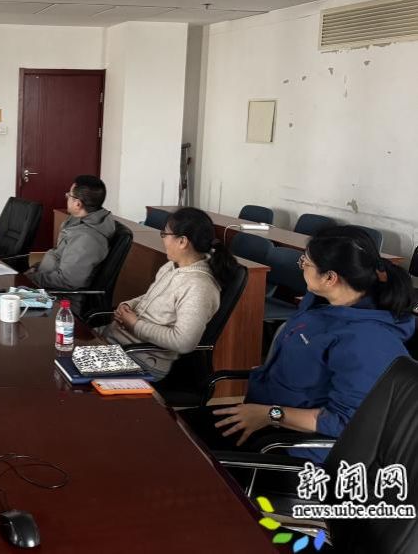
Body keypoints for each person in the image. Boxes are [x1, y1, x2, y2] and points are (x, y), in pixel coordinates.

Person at [180, 226, 414, 463]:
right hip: (266, 414)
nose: (301, 266)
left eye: (306, 262)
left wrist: (271, 414)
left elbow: (348, 423)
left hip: (293, 447)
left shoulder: (368, 340)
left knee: (185, 456)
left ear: (330, 278)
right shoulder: (323, 303)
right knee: (178, 429)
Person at [104, 207, 238, 380]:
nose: (163, 239)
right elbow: (151, 297)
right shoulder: (172, 266)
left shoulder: (199, 287)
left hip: (141, 360)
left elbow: (184, 342)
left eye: (164, 234)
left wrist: (135, 325)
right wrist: (129, 305)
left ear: (182, 241)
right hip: (116, 343)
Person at [27, 175, 114, 290]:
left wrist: (29, 278)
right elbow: (57, 256)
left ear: (77, 204)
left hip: (55, 294)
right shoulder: (78, 220)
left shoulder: (87, 239)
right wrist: (34, 269)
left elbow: (66, 281)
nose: (67, 197)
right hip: (44, 281)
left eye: (69, 195)